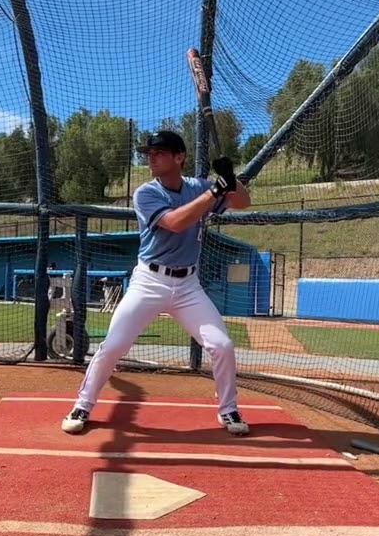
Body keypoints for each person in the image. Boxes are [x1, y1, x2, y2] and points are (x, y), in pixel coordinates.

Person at [61, 130, 253, 436]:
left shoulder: (198, 186)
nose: (151, 157)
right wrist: (215, 191)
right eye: (149, 153)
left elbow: (244, 201)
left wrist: (231, 178)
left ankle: (228, 409)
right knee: (114, 346)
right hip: (149, 281)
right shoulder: (146, 193)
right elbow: (176, 223)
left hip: (188, 285)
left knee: (222, 345)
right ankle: (83, 404)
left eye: (159, 153)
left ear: (180, 157)